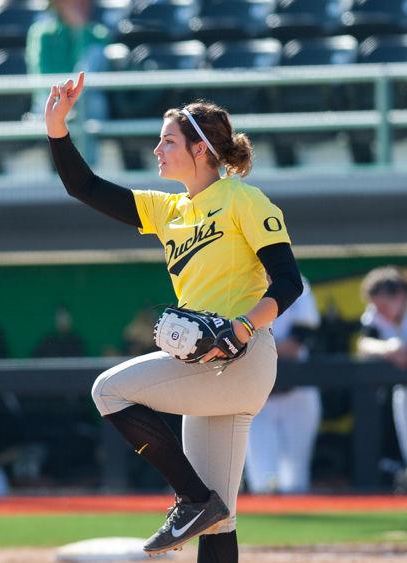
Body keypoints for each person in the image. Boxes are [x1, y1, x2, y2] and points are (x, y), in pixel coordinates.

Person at [46, 73, 304, 560]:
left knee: (109, 390)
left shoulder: (243, 199)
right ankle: (200, 504)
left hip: (242, 357)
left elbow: (288, 282)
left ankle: (190, 499)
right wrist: (58, 129)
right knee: (219, 520)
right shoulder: (169, 210)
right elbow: (83, 186)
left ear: (201, 150)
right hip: (205, 364)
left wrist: (243, 325)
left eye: (168, 140)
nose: (157, 149)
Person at [245, 276, 321, 494]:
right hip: (257, 394)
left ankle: (300, 525)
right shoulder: (242, 283)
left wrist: (256, 349)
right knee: (261, 472)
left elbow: (296, 343)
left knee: (296, 472)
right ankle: (265, 522)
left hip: (296, 392)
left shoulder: (297, 284)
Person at [355, 266, 407, 485]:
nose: (380, 311)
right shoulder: (374, 314)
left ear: (401, 295)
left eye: (384, 305)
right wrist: (387, 348)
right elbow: (363, 344)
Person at [26, 0, 109, 128]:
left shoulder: (98, 34)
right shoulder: (42, 33)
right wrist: (65, 98)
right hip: (51, 99)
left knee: (94, 103)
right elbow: (43, 74)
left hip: (84, 104)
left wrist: (79, 31)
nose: (80, 5)